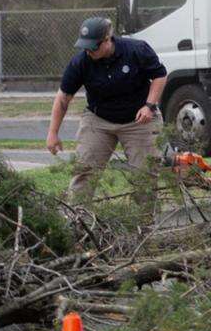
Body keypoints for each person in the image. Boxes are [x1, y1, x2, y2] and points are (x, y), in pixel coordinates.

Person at [46, 17, 168, 202]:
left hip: (138, 119)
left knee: (144, 177)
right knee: (84, 172)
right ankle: (79, 223)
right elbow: (63, 97)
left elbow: (159, 75)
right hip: (98, 119)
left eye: (93, 46)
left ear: (107, 39)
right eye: (84, 46)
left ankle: (143, 225)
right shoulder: (80, 62)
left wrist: (149, 106)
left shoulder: (136, 49)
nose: (88, 51)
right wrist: (53, 133)